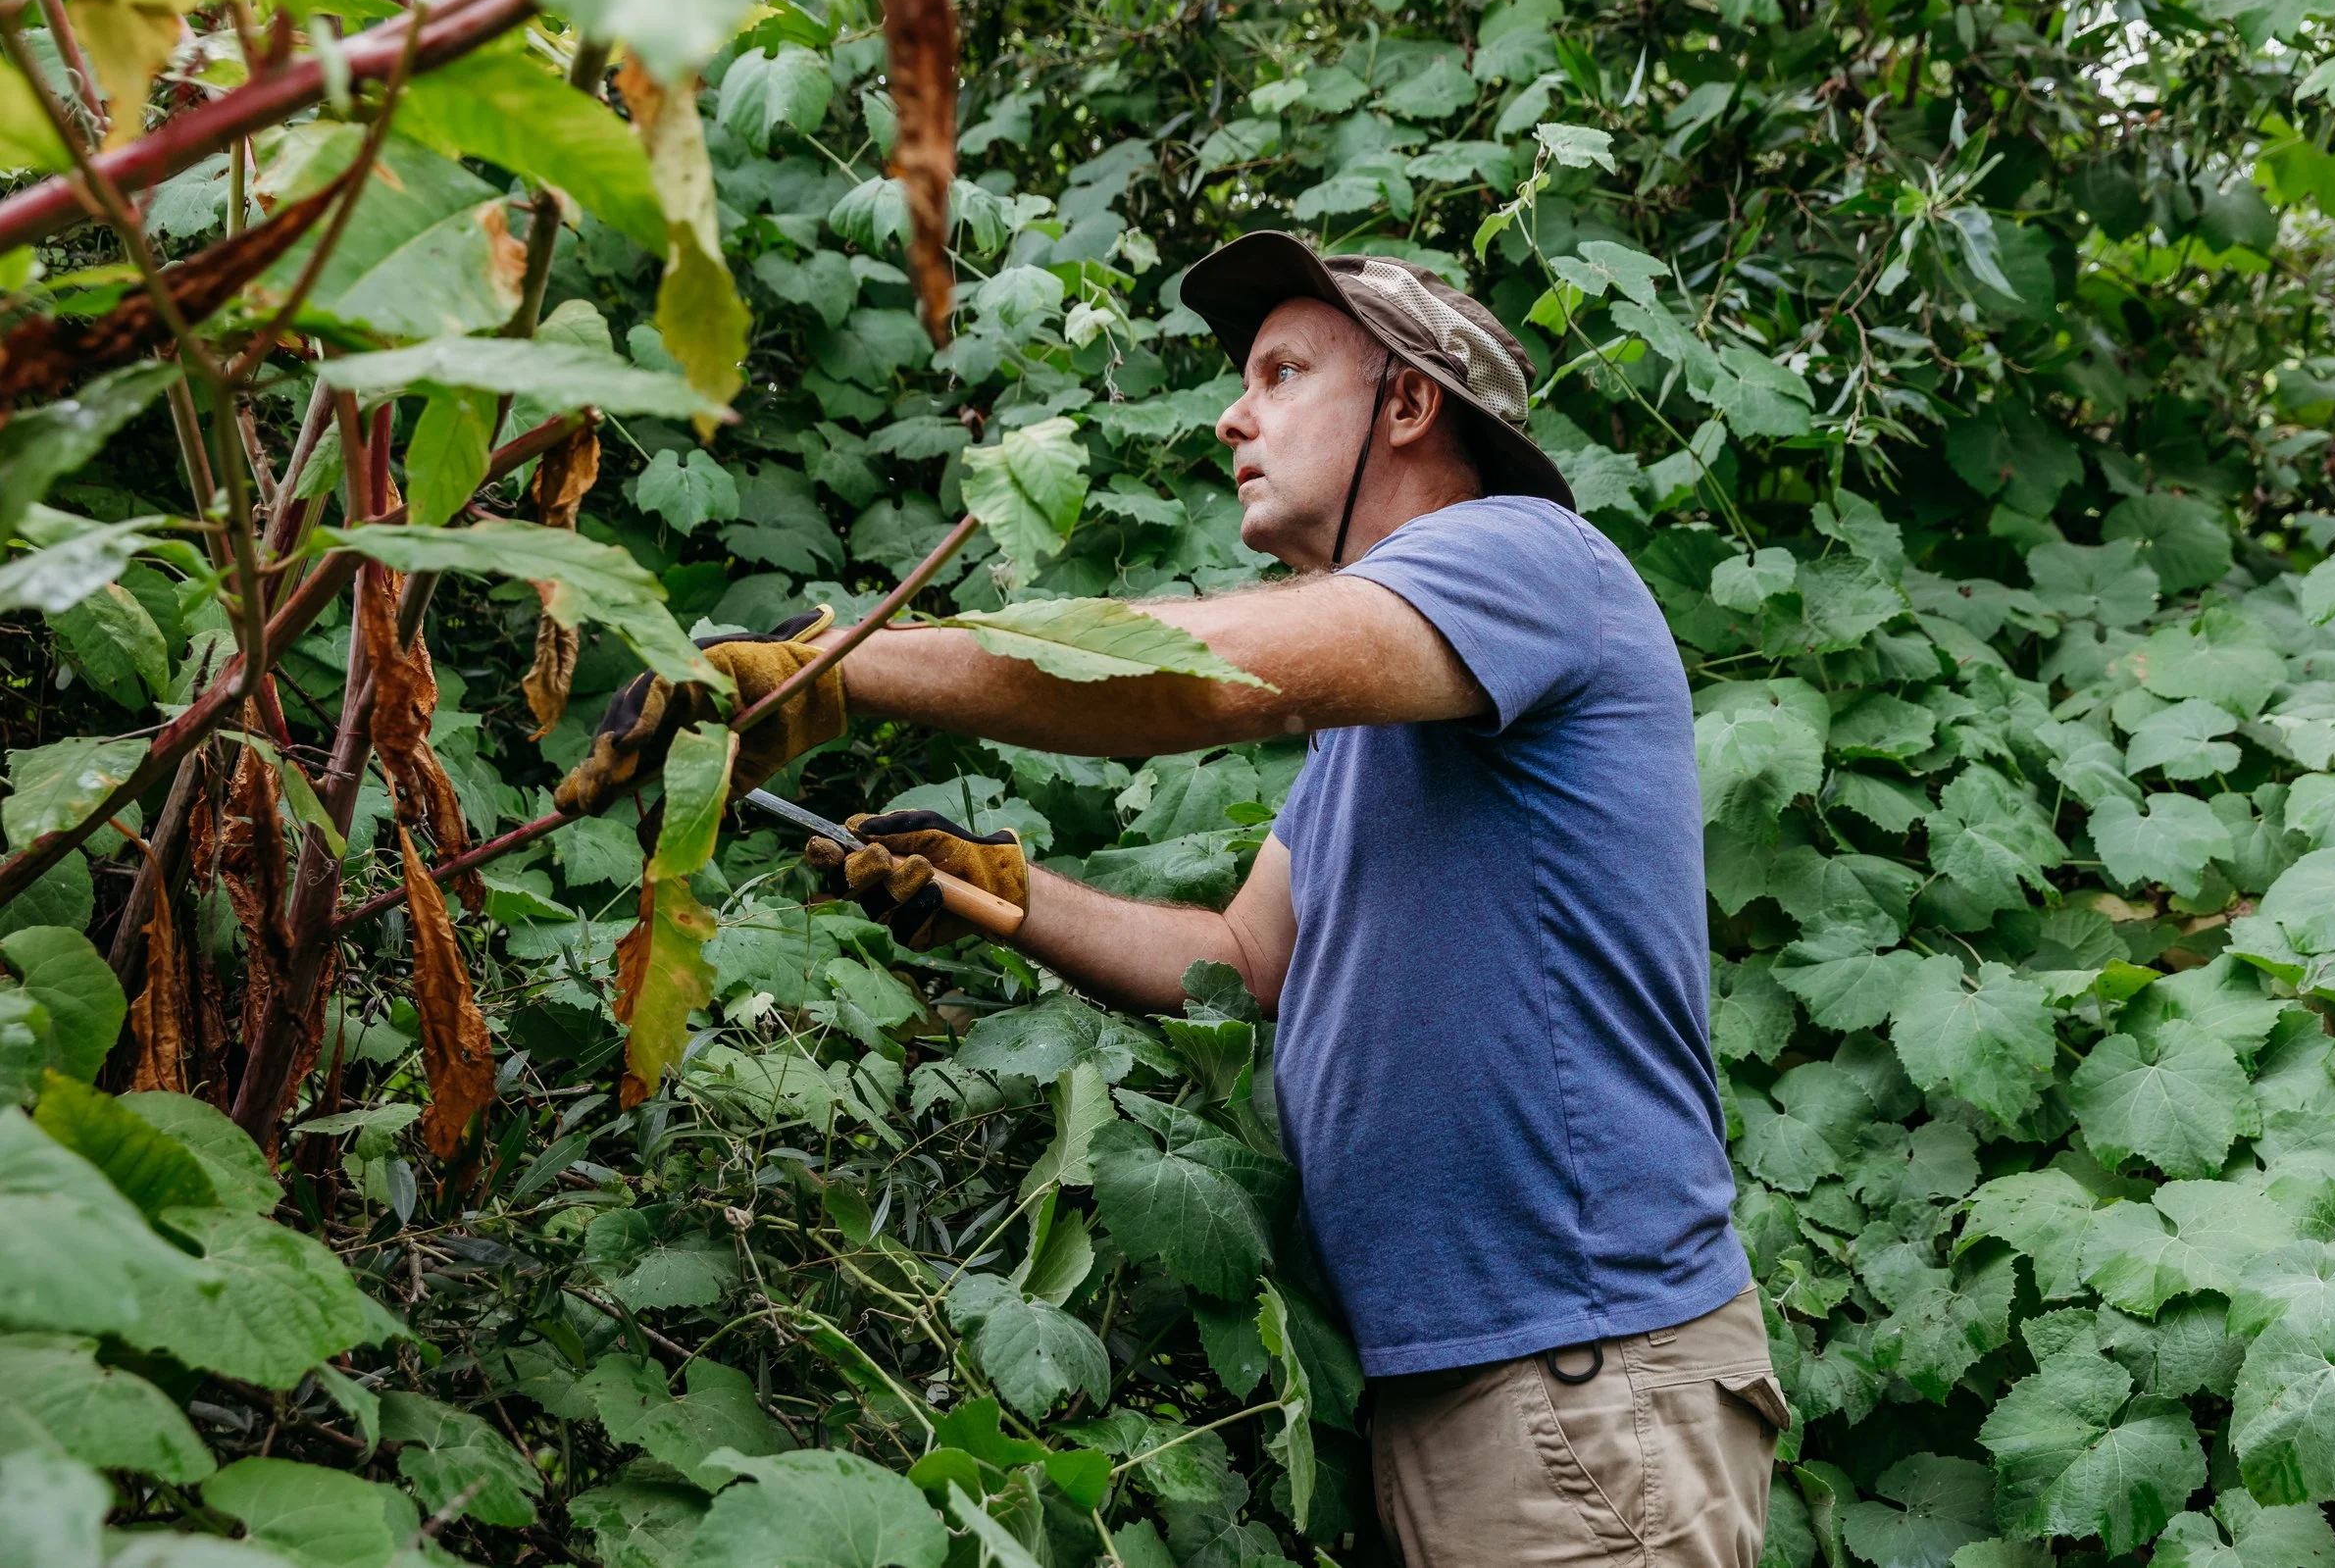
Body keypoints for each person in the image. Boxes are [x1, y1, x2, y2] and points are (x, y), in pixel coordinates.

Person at [561, 231, 1786, 1567]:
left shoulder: (1525, 558)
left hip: (1582, 1379)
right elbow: (1245, 956)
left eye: (1282, 370)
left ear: (1411, 403)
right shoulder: (1380, 730)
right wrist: (1002, 894)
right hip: (1476, 1387)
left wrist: (836, 671)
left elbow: (1187, 679)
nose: (1232, 412)